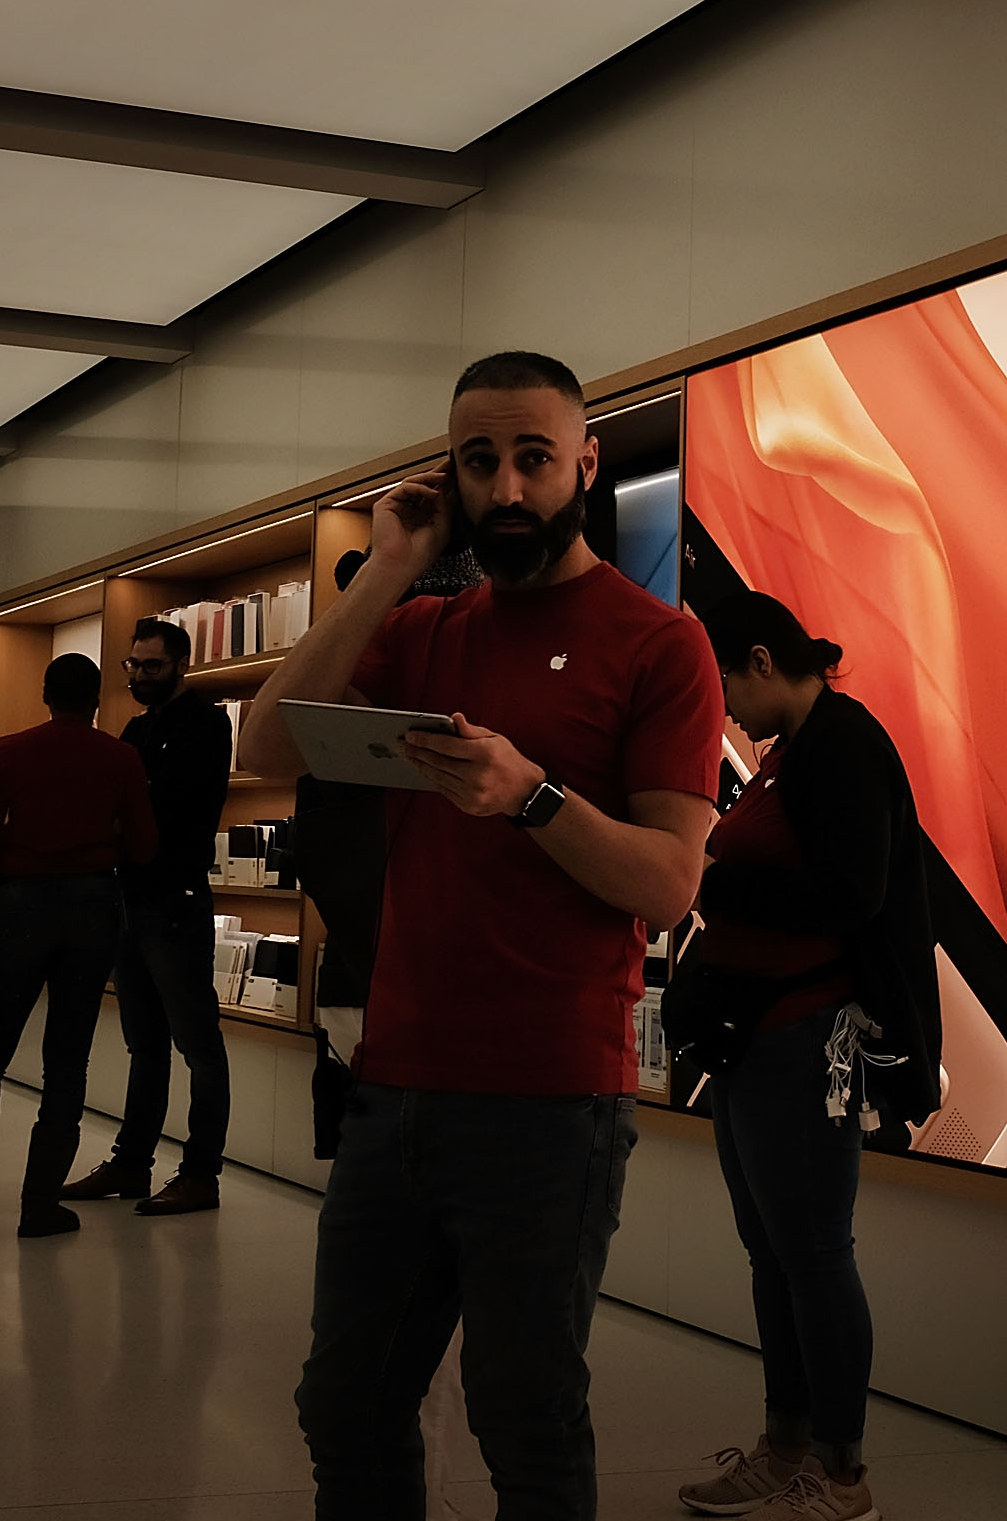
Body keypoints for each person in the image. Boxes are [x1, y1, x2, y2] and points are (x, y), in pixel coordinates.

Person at [244, 349, 723, 1521]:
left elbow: (667, 885)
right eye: (479, 462)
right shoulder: (425, 628)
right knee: (345, 1403)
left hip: (550, 1103)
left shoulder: (661, 644)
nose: (507, 490)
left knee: (525, 1415)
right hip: (395, 1085)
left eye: (533, 459)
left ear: (585, 464)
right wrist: (386, 567)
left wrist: (532, 795)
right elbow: (266, 743)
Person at [672, 593, 940, 1521]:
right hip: (755, 1038)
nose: (729, 713)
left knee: (813, 1254)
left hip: (807, 1039)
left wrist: (717, 885)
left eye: (727, 688)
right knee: (771, 1254)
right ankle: (785, 1447)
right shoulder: (795, 753)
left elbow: (850, 895)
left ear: (759, 659)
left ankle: (841, 1474)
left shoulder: (845, 744)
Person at [0, 653, 155, 1243]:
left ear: (44, 694)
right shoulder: (121, 757)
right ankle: (40, 1206)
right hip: (94, 909)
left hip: (22, 907)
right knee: (68, 1058)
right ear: (96, 699)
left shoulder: (9, 751)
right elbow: (143, 847)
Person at [58, 619, 235, 1215]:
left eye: (151, 667)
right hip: (133, 898)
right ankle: (133, 1162)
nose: (137, 676)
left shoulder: (207, 722)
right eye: (133, 666)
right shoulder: (136, 729)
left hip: (174, 898)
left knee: (196, 1044)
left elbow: (164, 806)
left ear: (182, 664)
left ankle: (200, 1174)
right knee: (146, 1043)